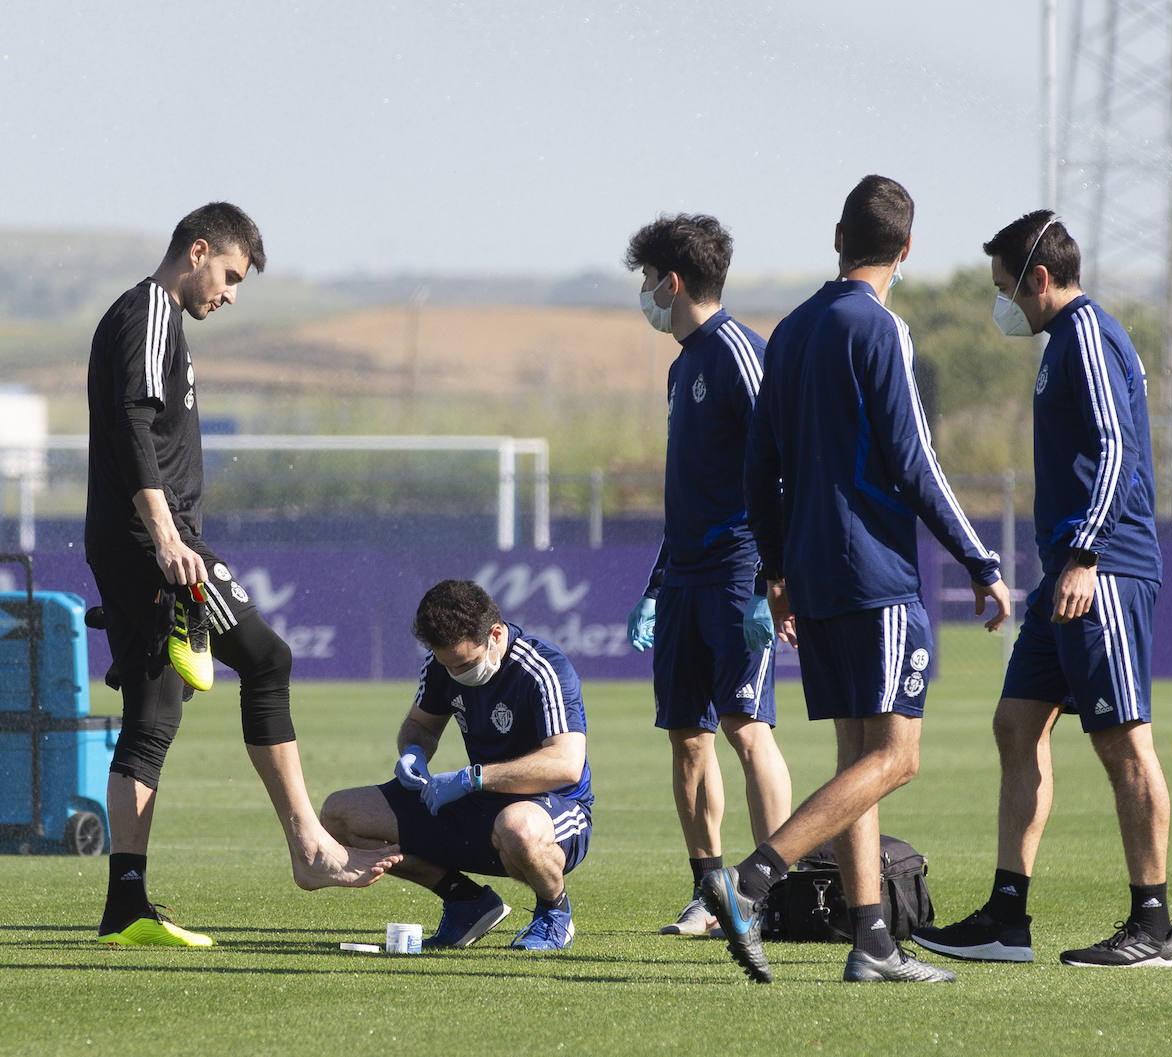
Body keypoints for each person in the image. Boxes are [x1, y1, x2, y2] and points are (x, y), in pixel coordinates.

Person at [700, 175, 1011, 984]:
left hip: (811, 573)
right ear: (906, 250)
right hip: (872, 574)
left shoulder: (792, 330)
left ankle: (871, 937)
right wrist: (980, 560)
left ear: (837, 237)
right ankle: (752, 879)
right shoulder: (879, 329)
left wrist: (775, 569)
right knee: (896, 757)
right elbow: (916, 462)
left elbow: (757, 466)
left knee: (854, 758)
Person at [85, 202, 399, 947]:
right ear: (197, 251)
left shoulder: (156, 320)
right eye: (228, 275)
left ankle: (125, 904)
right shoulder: (151, 311)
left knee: (153, 718)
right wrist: (166, 536)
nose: (229, 293)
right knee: (267, 658)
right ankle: (310, 847)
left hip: (140, 544)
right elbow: (132, 422)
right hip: (154, 547)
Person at [911, 212, 1172, 968]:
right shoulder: (1059, 342)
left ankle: (1155, 926)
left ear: (1038, 278)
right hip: (1065, 570)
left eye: (1006, 290)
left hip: (1103, 570)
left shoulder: (1087, 334)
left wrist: (1088, 555)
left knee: (1123, 742)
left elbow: (1119, 445)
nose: (1004, 307)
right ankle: (1006, 917)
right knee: (1016, 723)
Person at [622, 213, 792, 937]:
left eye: (646, 280)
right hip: (686, 576)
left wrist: (774, 575)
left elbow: (781, 468)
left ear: (674, 280)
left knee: (746, 728)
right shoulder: (681, 363)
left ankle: (774, 894)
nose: (644, 294)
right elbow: (687, 486)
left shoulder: (739, 353)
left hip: (737, 569)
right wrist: (659, 584)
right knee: (687, 736)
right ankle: (712, 891)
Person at [320, 579, 593, 951]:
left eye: (465, 664)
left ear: (495, 635)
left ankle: (554, 911)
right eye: (448, 665)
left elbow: (566, 763)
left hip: (552, 810)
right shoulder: (440, 664)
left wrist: (472, 777)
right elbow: (420, 725)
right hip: (480, 803)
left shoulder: (544, 668)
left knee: (518, 828)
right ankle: (466, 902)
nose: (456, 673)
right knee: (340, 815)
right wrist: (413, 752)